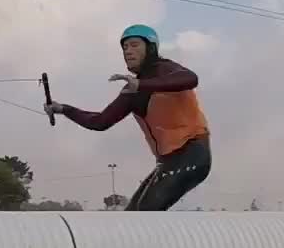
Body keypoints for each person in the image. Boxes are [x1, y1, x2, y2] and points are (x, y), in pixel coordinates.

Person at [44, 24, 211, 210]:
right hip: (167, 162)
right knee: (132, 214)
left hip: (192, 154)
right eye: (124, 47)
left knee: (145, 216)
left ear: (151, 48)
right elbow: (100, 122)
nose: (128, 51)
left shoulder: (164, 69)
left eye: (134, 45)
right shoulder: (132, 89)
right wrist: (64, 109)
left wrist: (142, 84)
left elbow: (190, 79)